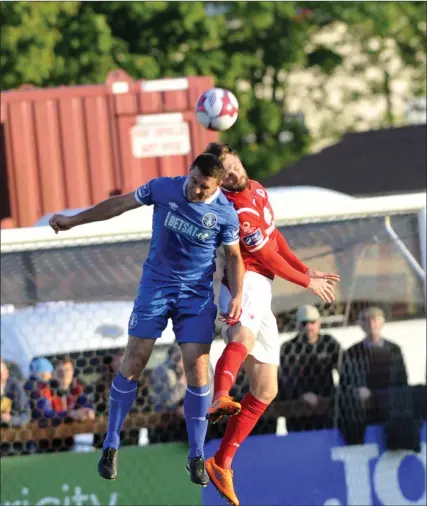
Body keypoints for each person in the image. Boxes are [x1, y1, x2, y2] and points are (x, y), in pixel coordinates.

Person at [49, 153, 244, 486]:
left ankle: (196, 453)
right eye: (193, 182)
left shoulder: (225, 214)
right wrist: (73, 220)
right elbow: (118, 205)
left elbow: (234, 257)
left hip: (194, 296)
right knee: (135, 359)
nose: (195, 191)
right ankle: (111, 443)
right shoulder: (163, 189)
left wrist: (237, 294)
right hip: (155, 287)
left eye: (203, 187)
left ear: (217, 185)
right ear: (190, 173)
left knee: (197, 367)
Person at [202, 143, 339, 506]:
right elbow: (263, 255)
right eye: (224, 175)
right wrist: (305, 282)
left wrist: (307, 268)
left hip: (263, 289)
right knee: (241, 335)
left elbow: (275, 238)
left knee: (266, 390)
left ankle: (221, 462)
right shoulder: (237, 208)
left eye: (232, 167)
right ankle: (220, 396)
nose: (231, 176)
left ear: (237, 158)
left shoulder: (258, 189)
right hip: (245, 281)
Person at [278, 305, 341, 432]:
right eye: (304, 323)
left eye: (312, 322)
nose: (309, 327)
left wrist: (339, 393)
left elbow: (344, 370)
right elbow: (287, 379)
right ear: (297, 325)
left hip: (327, 403)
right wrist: (302, 394)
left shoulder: (329, 343)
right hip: (298, 406)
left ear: (319, 323)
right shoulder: (289, 347)